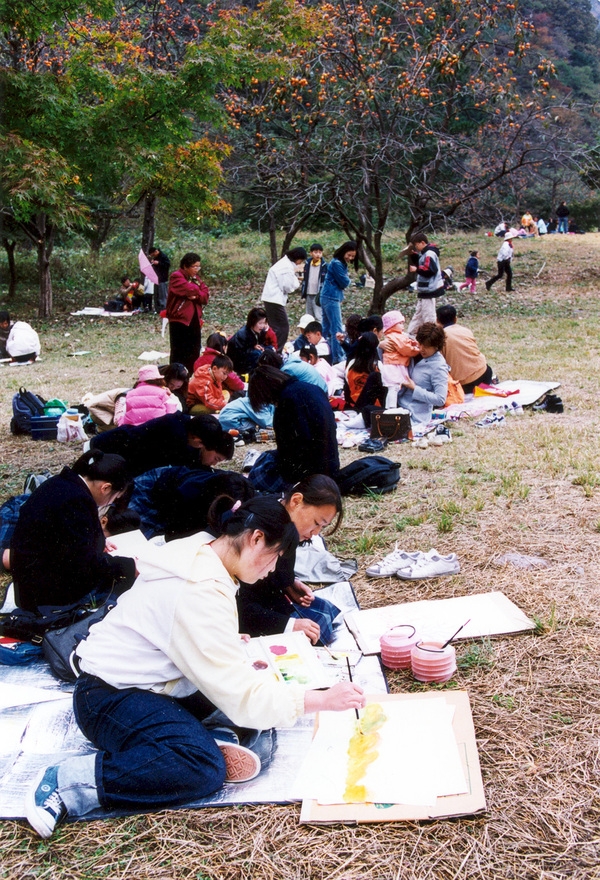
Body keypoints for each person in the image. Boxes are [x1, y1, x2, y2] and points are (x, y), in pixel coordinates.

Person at [26, 496, 365, 838]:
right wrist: (318, 700)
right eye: (275, 557)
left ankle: (216, 733)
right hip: (109, 698)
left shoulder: (204, 551)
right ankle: (68, 782)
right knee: (201, 766)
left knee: (255, 678)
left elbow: (184, 636)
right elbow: (239, 691)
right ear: (256, 538)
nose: (274, 569)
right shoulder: (199, 588)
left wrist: (227, 644)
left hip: (158, 684)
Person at [10, 450, 136, 614]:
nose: (112, 502)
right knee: (123, 591)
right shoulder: (75, 501)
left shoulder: (63, 483)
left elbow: (68, 542)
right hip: (44, 595)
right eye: (115, 497)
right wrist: (129, 566)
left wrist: (96, 542)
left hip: (32, 582)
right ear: (106, 488)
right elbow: (83, 563)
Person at [237, 475, 343, 644]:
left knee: (322, 613)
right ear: (296, 501)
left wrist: (289, 583)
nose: (316, 533)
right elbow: (240, 601)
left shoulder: (288, 523)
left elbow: (280, 570)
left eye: (322, 527)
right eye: (316, 522)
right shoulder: (261, 528)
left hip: (267, 598)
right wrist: (287, 625)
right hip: (246, 610)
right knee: (314, 632)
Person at [247, 365, 339, 492]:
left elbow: (293, 450)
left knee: (259, 474)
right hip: (331, 467)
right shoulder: (313, 388)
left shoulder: (286, 401)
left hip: (309, 476)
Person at [91, 412, 234, 477]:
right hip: (106, 449)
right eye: (216, 459)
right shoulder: (175, 438)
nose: (214, 463)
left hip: (114, 443)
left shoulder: (185, 425)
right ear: (197, 441)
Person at [397, 322, 449, 426]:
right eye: (420, 344)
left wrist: (414, 388)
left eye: (426, 347)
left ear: (436, 347)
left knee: (370, 413)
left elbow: (440, 399)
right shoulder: (413, 351)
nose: (421, 349)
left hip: (413, 412)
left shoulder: (438, 366)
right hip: (398, 401)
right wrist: (381, 346)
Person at [166, 252, 209, 373]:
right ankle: (176, 375)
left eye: (198, 267)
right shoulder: (176, 276)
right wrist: (196, 290)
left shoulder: (195, 278)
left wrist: (196, 295)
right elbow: (190, 289)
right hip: (180, 319)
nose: (197, 270)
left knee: (194, 349)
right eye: (194, 267)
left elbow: (205, 295)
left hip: (194, 318)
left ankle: (190, 374)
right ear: (185, 266)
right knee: (179, 351)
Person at [436, 305, 494, 393]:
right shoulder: (465, 330)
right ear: (456, 319)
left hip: (463, 385)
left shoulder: (439, 338)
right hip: (484, 375)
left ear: (437, 321)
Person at [260, 247, 307, 351]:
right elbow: (288, 287)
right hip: (274, 299)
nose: (300, 263)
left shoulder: (285, 264)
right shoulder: (285, 267)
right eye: (301, 260)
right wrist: (297, 282)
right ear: (298, 258)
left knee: (274, 327)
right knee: (282, 328)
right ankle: (277, 350)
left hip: (272, 298)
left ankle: (270, 348)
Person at [320, 241, 357, 364]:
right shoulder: (337, 263)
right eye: (349, 255)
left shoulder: (339, 263)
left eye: (353, 256)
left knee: (326, 329)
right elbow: (344, 282)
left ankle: (324, 354)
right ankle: (338, 359)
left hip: (328, 296)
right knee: (336, 329)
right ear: (343, 251)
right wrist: (348, 279)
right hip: (331, 297)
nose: (350, 258)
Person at [379, 310, 420, 408]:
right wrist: (417, 350)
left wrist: (413, 343)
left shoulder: (397, 336)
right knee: (393, 388)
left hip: (396, 364)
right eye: (400, 323)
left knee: (395, 388)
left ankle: (391, 406)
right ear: (392, 325)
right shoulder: (395, 336)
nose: (403, 325)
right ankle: (391, 407)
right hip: (394, 366)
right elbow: (405, 349)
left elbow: (406, 342)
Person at [407, 233, 445, 337]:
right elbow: (422, 261)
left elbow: (430, 269)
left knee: (429, 315)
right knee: (419, 314)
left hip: (430, 289)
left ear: (422, 243)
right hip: (425, 289)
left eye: (416, 245)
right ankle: (411, 333)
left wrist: (417, 269)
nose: (416, 247)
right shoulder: (425, 253)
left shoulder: (429, 253)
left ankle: (430, 335)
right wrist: (414, 255)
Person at [344, 331, 386, 419]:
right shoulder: (378, 365)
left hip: (356, 404)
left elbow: (347, 388)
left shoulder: (351, 364)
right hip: (374, 408)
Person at [227, 307, 274, 375]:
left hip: (252, 354)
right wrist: (253, 348)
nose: (262, 326)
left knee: (269, 350)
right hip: (239, 363)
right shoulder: (242, 335)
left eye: (264, 323)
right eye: (260, 323)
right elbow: (239, 354)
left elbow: (262, 343)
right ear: (252, 322)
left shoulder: (261, 331)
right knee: (257, 354)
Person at [300, 243, 328, 321]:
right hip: (309, 292)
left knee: (319, 315)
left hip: (318, 293)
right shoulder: (307, 264)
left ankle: (320, 331)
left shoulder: (324, 266)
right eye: (316, 252)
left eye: (320, 252)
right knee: (309, 315)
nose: (318, 254)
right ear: (311, 253)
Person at [149, 247, 171, 312]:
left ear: (156, 251)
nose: (153, 256)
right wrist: (153, 263)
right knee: (156, 294)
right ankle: (157, 309)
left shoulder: (163, 256)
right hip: (156, 278)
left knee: (162, 294)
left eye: (153, 254)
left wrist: (159, 263)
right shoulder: (156, 257)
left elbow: (167, 265)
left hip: (162, 278)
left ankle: (164, 308)